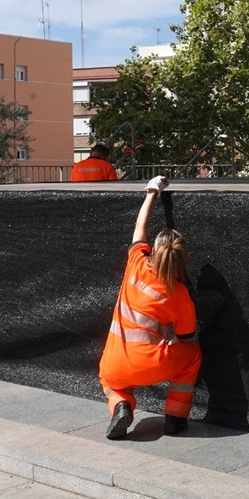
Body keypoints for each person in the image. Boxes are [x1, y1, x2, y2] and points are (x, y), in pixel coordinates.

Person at [100, 176, 201, 439]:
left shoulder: (136, 263)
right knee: (192, 354)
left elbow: (139, 229)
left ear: (153, 251)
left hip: (115, 365)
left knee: (108, 381)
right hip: (153, 366)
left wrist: (152, 192)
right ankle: (175, 417)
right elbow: (185, 337)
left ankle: (121, 405)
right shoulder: (180, 295)